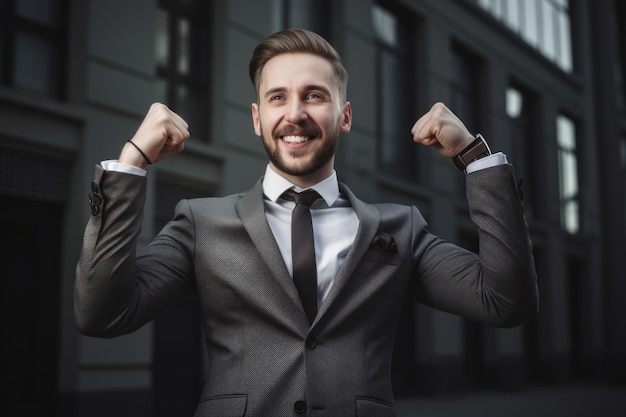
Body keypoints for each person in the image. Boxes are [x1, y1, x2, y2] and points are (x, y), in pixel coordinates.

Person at [75, 29, 538, 417]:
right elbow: (102, 314)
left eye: (314, 96)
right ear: (258, 119)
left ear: (345, 116)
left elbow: (506, 301)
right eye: (277, 97)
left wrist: (473, 158)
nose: (294, 113)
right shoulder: (201, 222)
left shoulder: (401, 229)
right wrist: (131, 162)